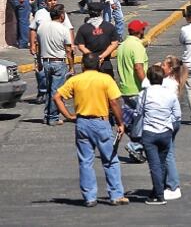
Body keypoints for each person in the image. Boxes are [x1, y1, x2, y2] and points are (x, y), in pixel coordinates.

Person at [53, 53, 129, 207]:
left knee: (85, 161)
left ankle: (89, 197)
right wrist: (121, 122)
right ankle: (116, 195)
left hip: (82, 123)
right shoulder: (106, 79)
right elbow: (114, 102)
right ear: (99, 65)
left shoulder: (75, 80)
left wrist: (68, 115)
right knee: (110, 160)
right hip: (101, 122)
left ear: (83, 66)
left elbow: (57, 97)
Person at [137, 65, 182, 206]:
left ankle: (159, 195)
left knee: (154, 165)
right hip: (165, 132)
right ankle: (156, 191)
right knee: (161, 164)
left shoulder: (144, 94)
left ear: (149, 78)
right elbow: (177, 115)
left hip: (149, 132)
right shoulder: (170, 94)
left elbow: (138, 112)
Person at [35, 1, 74, 125]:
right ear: (61, 15)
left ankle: (47, 115)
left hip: (46, 61)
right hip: (58, 62)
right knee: (56, 91)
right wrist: (71, 66)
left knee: (48, 89)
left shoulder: (41, 27)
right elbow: (68, 50)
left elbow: (38, 46)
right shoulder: (63, 29)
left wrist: (39, 62)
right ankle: (52, 117)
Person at [118, 19, 149, 160]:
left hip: (125, 89)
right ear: (139, 31)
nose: (144, 31)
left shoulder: (123, 45)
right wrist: (147, 84)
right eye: (143, 29)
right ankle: (135, 145)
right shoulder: (137, 46)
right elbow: (138, 67)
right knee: (146, 120)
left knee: (136, 119)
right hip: (137, 89)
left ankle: (137, 150)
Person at [75, 1, 118, 77]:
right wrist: (102, 56)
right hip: (105, 62)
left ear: (89, 12)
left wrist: (93, 57)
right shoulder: (109, 26)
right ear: (101, 12)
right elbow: (114, 44)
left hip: (89, 64)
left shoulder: (83, 28)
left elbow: (81, 46)